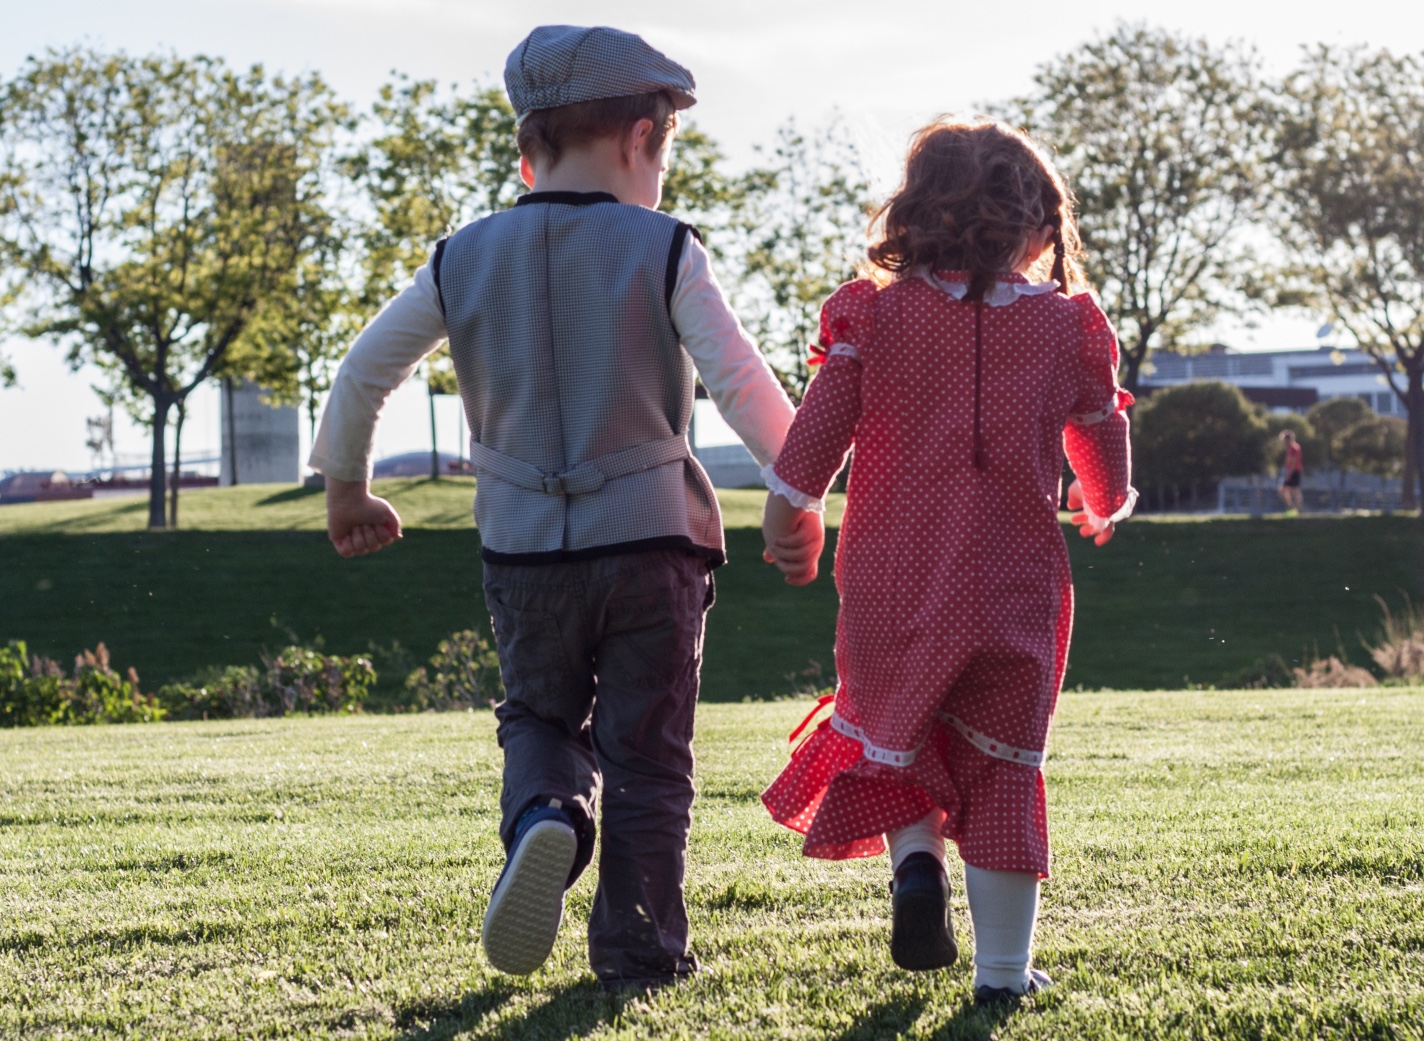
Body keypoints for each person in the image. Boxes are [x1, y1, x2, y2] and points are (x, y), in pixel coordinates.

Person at [309, 25, 795, 990]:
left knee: (539, 717)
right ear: (643, 139)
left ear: (527, 148)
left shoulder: (463, 257)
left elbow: (365, 371)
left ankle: (547, 817)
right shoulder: (664, 249)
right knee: (650, 756)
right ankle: (640, 950)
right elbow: (743, 385)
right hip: (653, 540)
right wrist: (797, 489)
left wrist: (348, 488)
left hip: (526, 549)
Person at [758, 120, 1136, 1003]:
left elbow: (822, 420)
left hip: (893, 586)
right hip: (1013, 588)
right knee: (1005, 768)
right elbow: (1099, 426)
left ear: (915, 214)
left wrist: (790, 510)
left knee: (901, 737)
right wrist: (1104, 497)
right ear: (1038, 226)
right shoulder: (1063, 325)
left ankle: (917, 867)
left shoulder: (873, 314)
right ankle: (1003, 972)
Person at [1278, 429, 1304, 512]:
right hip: (1290, 472)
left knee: (1295, 491)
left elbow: (1294, 462)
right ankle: (1291, 507)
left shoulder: (1294, 448)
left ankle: (1298, 509)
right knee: (1284, 490)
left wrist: (1289, 474)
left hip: (1294, 472)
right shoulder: (1290, 449)